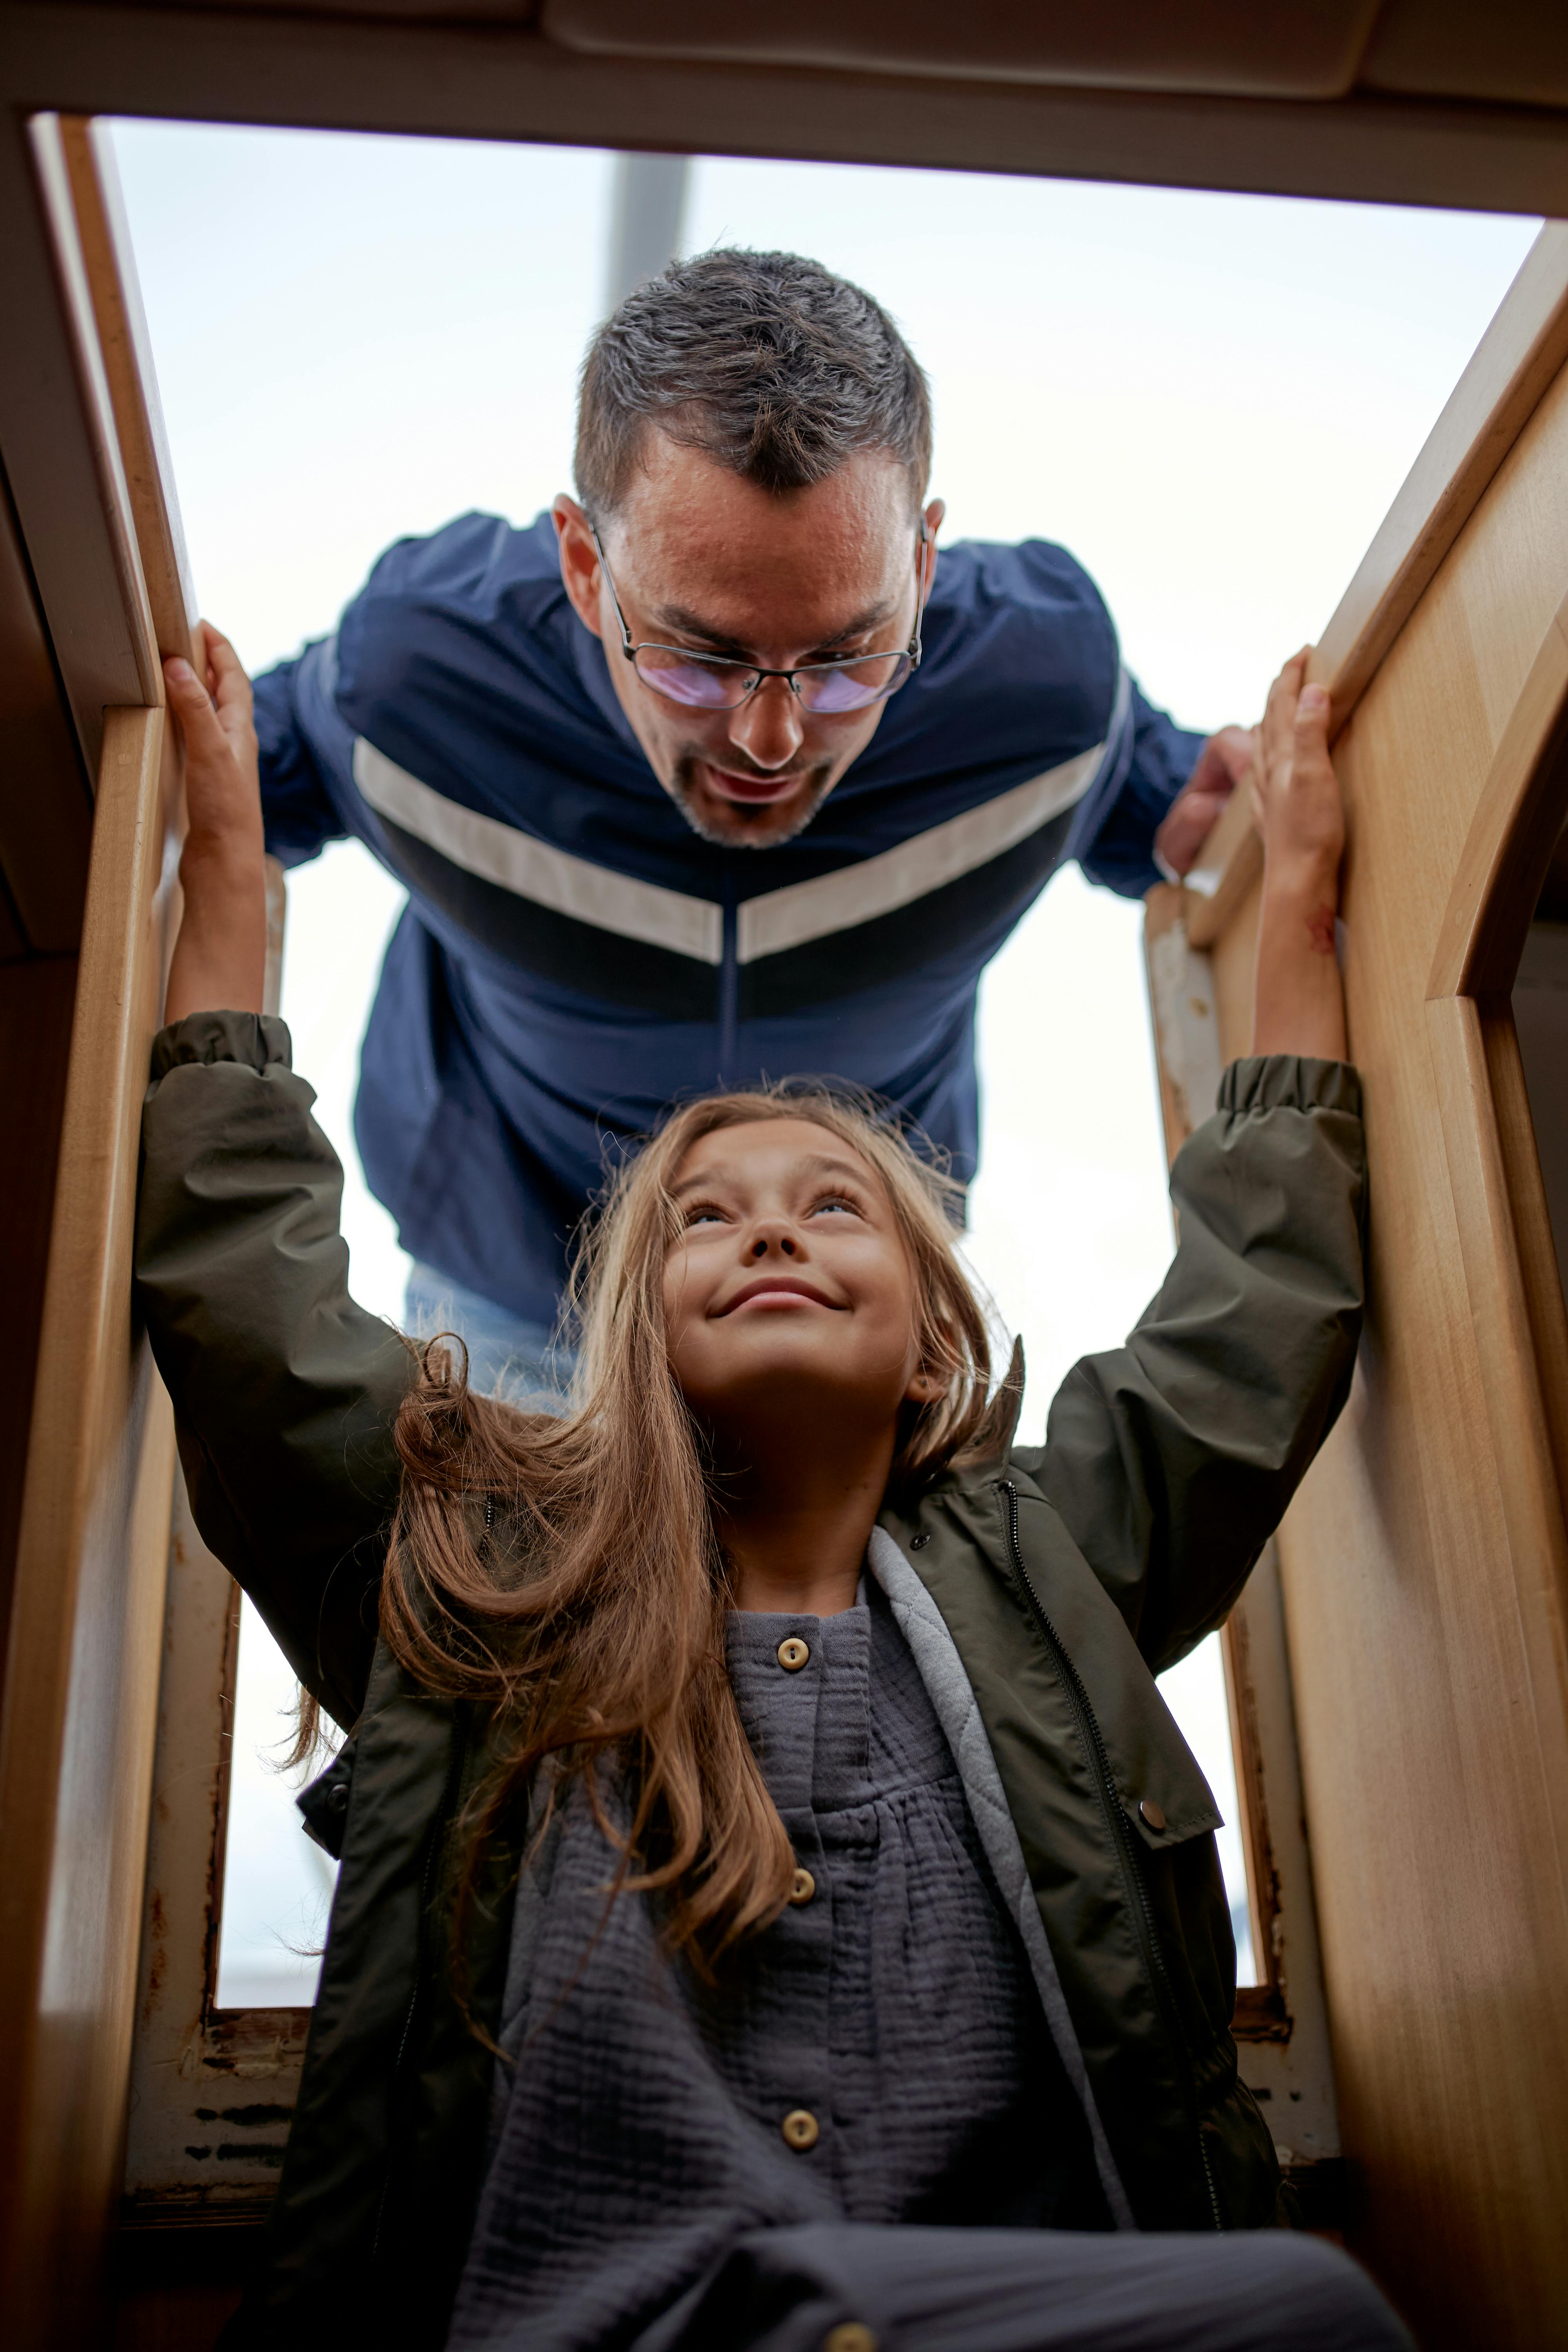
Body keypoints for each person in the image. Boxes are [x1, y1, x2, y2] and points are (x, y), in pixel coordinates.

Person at [138, 630, 1405, 2352]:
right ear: (632, 1330)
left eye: (834, 1205)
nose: (771, 1228)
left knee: (1306, 2317)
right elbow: (250, 1316)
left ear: (928, 1334)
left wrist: (1306, 884)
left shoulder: (1059, 1564)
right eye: (707, 1217)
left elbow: (1257, 1306)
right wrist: (227, 872)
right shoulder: (486, 1584)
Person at [246, 249, 1255, 1393]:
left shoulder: (1044, 699)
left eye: (846, 658)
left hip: (856, 1301)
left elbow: (1165, 806)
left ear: (921, 569)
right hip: (526, 1307)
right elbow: (220, 779)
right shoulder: (420, 684)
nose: (772, 740)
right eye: (697, 658)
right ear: (586, 569)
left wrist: (1212, 828)